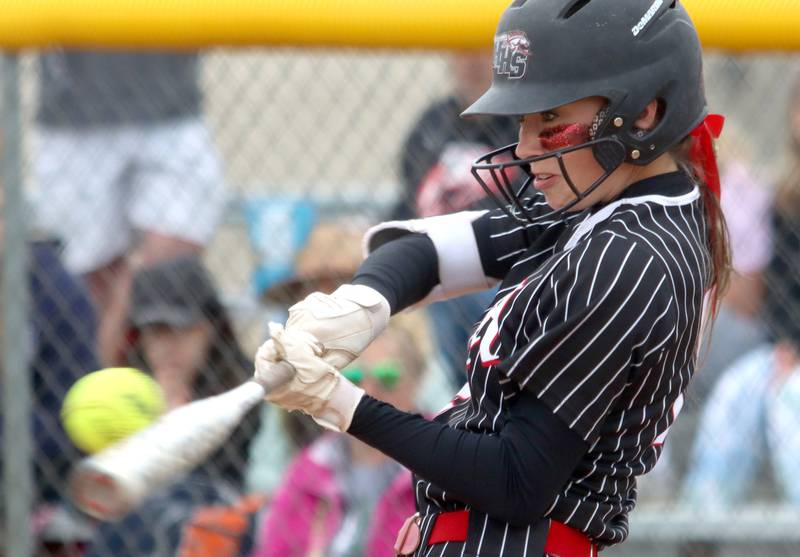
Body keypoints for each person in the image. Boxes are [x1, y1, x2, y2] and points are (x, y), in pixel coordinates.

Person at [253, 2, 730, 555]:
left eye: (550, 121)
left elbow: (515, 480)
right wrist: (362, 304)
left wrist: (341, 403)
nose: (526, 150)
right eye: (525, 122)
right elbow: (431, 250)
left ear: (644, 114)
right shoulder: (597, 190)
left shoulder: (632, 255)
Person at [33, 50, 227, 367]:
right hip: (74, 115)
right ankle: (91, 394)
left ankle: (148, 394)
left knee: (170, 260)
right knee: (87, 277)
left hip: (172, 106)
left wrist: (132, 273)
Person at [86, 254, 258, 557]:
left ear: (209, 329)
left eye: (182, 329)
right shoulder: (124, 393)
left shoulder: (245, 392)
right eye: (157, 332)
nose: (169, 346)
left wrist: (176, 426)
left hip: (221, 519)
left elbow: (238, 484)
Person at [392, 51, 518, 389]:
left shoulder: (520, 123)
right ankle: (459, 399)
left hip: (497, 270)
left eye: (482, 52)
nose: (472, 62)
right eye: (462, 52)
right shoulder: (432, 124)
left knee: (467, 294)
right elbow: (407, 199)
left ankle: (483, 390)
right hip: (432, 263)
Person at [252, 317, 426, 557]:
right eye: (354, 378)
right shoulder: (311, 468)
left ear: (416, 381)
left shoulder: (438, 466)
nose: (369, 392)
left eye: (387, 377)